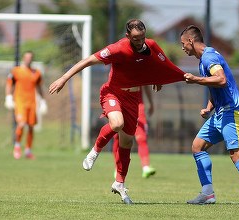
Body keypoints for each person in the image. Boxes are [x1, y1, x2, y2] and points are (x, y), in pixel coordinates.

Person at [49, 19, 185, 204]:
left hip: (133, 99)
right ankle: (95, 151)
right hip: (112, 93)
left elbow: (162, 64)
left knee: (127, 142)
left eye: (142, 37)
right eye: (136, 38)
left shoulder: (150, 45)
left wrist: (158, 78)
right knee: (117, 123)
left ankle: (119, 183)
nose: (140, 41)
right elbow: (88, 60)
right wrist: (64, 78)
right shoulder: (117, 49)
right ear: (127, 36)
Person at [180, 25, 239, 206]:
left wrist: (196, 80)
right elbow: (216, 87)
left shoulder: (209, 56)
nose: (183, 48)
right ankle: (207, 194)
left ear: (191, 40)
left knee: (236, 153)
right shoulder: (203, 59)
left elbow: (221, 80)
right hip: (220, 114)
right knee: (197, 146)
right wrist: (209, 107)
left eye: (183, 44)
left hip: (231, 111)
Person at [5, 51, 47, 160]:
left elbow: (39, 88)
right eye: (27, 57)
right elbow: (9, 84)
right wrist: (8, 97)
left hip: (32, 102)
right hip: (20, 102)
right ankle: (17, 146)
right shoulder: (16, 71)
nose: (28, 59)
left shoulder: (36, 73)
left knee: (31, 126)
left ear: (32, 59)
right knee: (22, 123)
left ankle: (28, 151)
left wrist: (43, 101)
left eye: (30, 57)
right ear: (23, 58)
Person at [112, 86, 156, 178]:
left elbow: (146, 85)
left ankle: (146, 166)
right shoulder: (118, 71)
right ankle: (117, 168)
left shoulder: (140, 72)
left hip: (138, 106)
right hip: (121, 104)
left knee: (141, 137)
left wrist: (151, 102)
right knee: (118, 137)